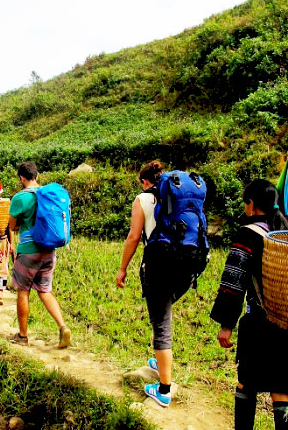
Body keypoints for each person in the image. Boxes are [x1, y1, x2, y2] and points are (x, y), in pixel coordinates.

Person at [210, 179, 288, 430]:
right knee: (280, 388)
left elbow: (234, 280)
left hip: (261, 324)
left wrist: (226, 324)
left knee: (247, 381)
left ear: (251, 205)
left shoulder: (248, 234)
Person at [116, 160, 176, 407]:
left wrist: (122, 269)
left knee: (160, 324)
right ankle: (159, 361)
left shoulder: (143, 199)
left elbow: (133, 236)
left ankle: (164, 389)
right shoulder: (176, 197)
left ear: (145, 181)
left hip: (158, 266)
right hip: (184, 265)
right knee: (165, 313)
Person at [8, 161, 71, 348]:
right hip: (49, 251)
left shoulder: (20, 198)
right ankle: (63, 327)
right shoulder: (48, 195)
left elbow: (11, 226)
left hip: (29, 251)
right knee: (45, 291)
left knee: (23, 291)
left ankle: (22, 335)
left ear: (21, 178)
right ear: (37, 176)